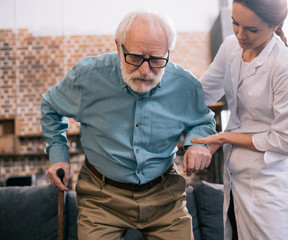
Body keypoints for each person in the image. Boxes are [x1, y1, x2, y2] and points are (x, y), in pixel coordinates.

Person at [41, 9, 216, 240]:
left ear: (168, 52)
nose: (145, 71)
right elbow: (50, 107)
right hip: (101, 198)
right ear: (118, 46)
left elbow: (203, 120)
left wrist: (197, 144)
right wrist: (58, 155)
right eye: (135, 58)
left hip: (164, 196)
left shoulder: (185, 86)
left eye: (156, 60)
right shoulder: (87, 78)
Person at [191, 0, 288, 239]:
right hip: (234, 178)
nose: (241, 35)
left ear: (275, 25)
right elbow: (201, 94)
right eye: (235, 23)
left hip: (267, 183)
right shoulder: (231, 47)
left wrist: (222, 137)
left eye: (252, 30)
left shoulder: (284, 64)